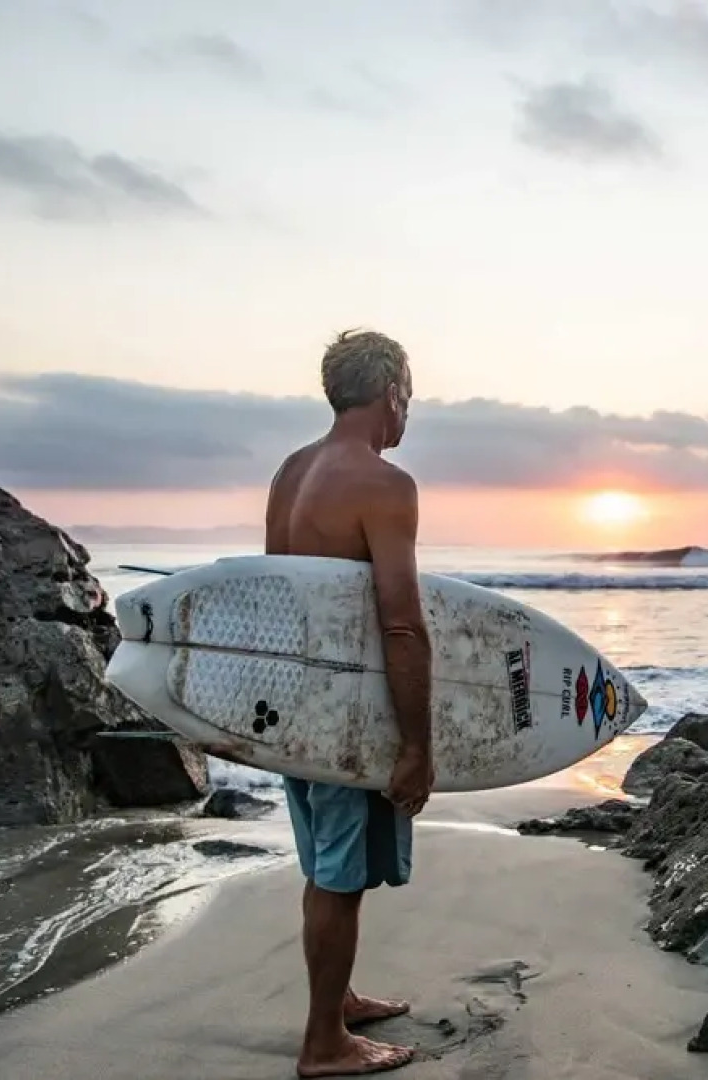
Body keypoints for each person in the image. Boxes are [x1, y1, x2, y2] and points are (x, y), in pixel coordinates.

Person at [264, 329, 434, 1077]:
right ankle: (324, 1044)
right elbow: (400, 623)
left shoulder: (292, 471)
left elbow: (283, 596)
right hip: (346, 713)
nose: (408, 413)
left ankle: (339, 1001)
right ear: (391, 392)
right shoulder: (384, 484)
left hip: (293, 701)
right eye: (409, 397)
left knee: (327, 865)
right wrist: (417, 745)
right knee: (339, 874)